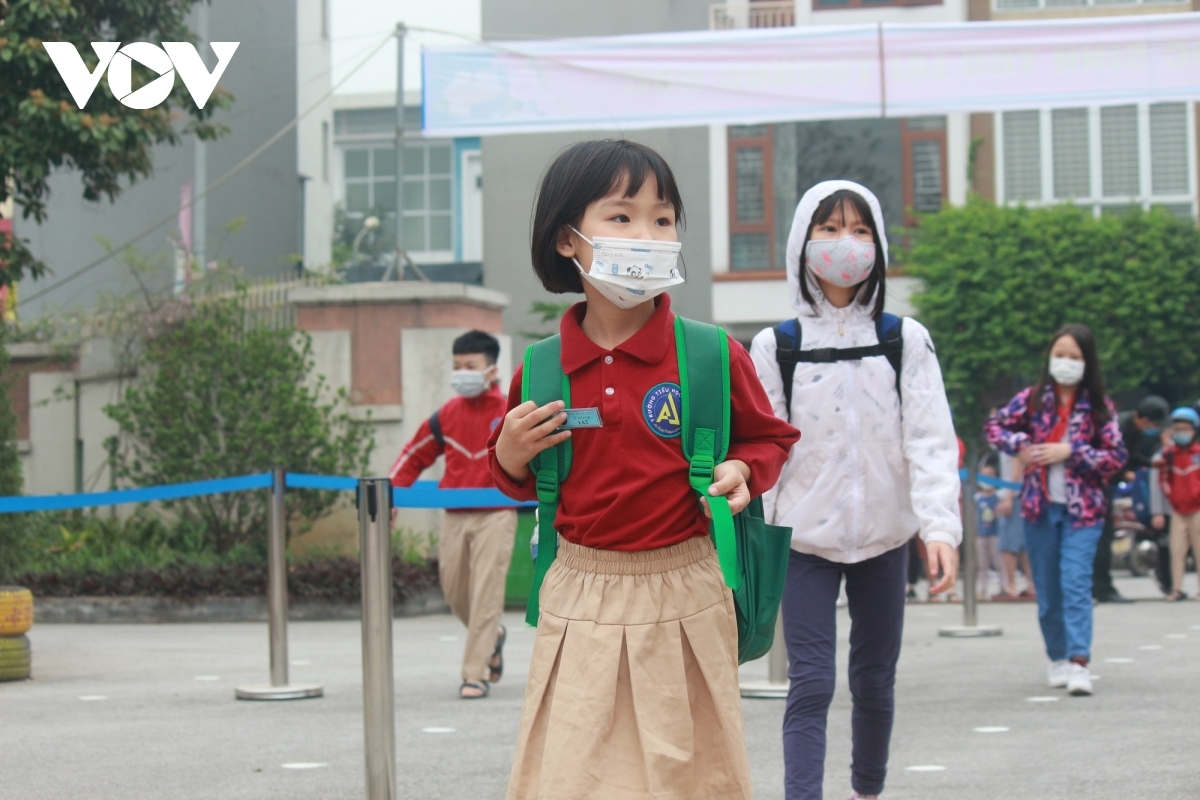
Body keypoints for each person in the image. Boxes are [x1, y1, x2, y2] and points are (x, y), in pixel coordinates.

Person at [488, 139, 799, 800]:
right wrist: (508, 455)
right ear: (568, 240)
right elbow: (516, 473)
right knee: (571, 776)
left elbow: (768, 439)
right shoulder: (541, 368)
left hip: (686, 585)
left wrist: (743, 468)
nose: (648, 234)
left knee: (690, 778)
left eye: (662, 219)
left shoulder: (713, 354)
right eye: (622, 217)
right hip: (579, 592)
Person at [748, 180, 962, 800]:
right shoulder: (776, 346)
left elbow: (929, 436)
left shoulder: (904, 339)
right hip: (804, 542)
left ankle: (868, 790)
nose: (847, 244)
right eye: (830, 229)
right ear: (802, 243)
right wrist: (756, 544)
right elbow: (763, 448)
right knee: (810, 683)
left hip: (885, 539)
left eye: (861, 231)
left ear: (880, 246)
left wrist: (939, 528)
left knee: (874, 680)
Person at [985, 324, 1126, 697]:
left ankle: (1080, 662)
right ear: (1049, 358)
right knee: (1047, 590)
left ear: (1087, 362)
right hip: (1039, 508)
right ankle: (1058, 658)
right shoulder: (1032, 399)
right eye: (1060, 354)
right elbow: (995, 427)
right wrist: (1022, 445)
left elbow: (1116, 457)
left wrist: (1072, 452)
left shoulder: (1099, 407)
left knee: (1075, 581)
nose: (1066, 363)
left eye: (1075, 357)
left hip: (1084, 512)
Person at [390, 330, 514, 700]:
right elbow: (414, 454)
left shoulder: (510, 410)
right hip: (455, 515)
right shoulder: (447, 415)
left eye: (470, 367)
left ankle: (473, 674)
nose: (462, 373)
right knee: (454, 590)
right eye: (457, 367)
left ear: (491, 370)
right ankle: (494, 636)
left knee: (485, 593)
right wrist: (392, 494)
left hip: (497, 513)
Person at [1094, 395, 1169, 603]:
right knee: (1101, 536)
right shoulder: (1118, 428)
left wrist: (1147, 464)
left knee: (1105, 535)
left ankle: (1101, 586)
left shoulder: (1139, 433)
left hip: (1109, 485)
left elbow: (1132, 457)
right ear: (1138, 416)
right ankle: (1100, 587)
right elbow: (1110, 455)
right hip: (1098, 486)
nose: (1151, 428)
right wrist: (1123, 470)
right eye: (1149, 423)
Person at [1155, 407, 1200, 601]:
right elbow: (1163, 478)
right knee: (1176, 550)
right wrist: (1172, 498)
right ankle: (1177, 588)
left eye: (1185, 429)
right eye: (1177, 429)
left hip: (1197, 509)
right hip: (1177, 509)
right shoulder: (1169, 455)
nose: (1181, 433)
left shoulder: (1197, 453)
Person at [994, 451, 1035, 601]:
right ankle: (1032, 585)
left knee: (1007, 545)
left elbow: (1017, 467)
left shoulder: (1011, 439)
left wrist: (1008, 496)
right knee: (1023, 544)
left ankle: (1010, 586)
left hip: (1014, 494)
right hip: (1022, 493)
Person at [975, 461, 1004, 599]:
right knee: (982, 564)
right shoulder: (977, 498)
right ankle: (982, 589)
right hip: (981, 534)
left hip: (996, 534)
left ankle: (1003, 587)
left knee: (999, 562)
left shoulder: (999, 496)